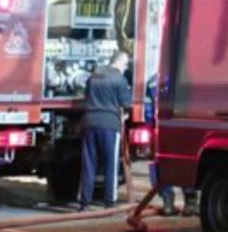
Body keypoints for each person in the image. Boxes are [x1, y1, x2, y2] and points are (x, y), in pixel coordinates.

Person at [79, 53, 132, 210]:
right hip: (110, 125)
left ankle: (84, 204)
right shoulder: (120, 79)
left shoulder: (93, 76)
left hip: (89, 123)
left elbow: (86, 97)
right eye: (126, 65)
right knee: (111, 165)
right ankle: (109, 203)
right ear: (120, 62)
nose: (126, 68)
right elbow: (126, 104)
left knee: (88, 164)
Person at [144, 74, 197, 217]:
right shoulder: (188, 79)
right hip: (183, 127)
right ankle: (190, 203)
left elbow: (148, 110)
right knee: (185, 162)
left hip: (161, 129)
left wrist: (150, 126)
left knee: (162, 165)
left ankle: (168, 203)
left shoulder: (153, 82)